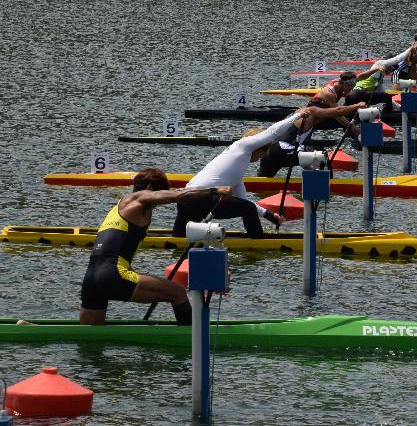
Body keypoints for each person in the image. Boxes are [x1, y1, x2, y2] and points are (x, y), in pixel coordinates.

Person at [79, 168, 232, 326]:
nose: (157, 204)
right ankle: (194, 340)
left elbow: (113, 252)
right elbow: (179, 194)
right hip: (112, 275)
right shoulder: (139, 198)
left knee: (89, 338)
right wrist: (214, 190)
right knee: (178, 292)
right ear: (150, 189)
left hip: (90, 279)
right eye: (160, 194)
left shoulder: (119, 209)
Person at [172, 108, 316, 238]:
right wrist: (296, 116)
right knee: (247, 209)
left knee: (178, 239)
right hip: (201, 199)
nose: (261, 157)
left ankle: (175, 239)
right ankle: (258, 241)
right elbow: (273, 132)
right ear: (259, 148)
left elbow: (245, 201)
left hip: (186, 199)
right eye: (263, 153)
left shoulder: (235, 171)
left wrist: (269, 215)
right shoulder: (244, 146)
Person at [257, 101, 366, 177]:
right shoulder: (312, 111)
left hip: (270, 153)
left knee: (261, 184)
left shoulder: (300, 111)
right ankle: (325, 186)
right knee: (321, 155)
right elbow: (338, 111)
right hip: (281, 150)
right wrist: (357, 106)